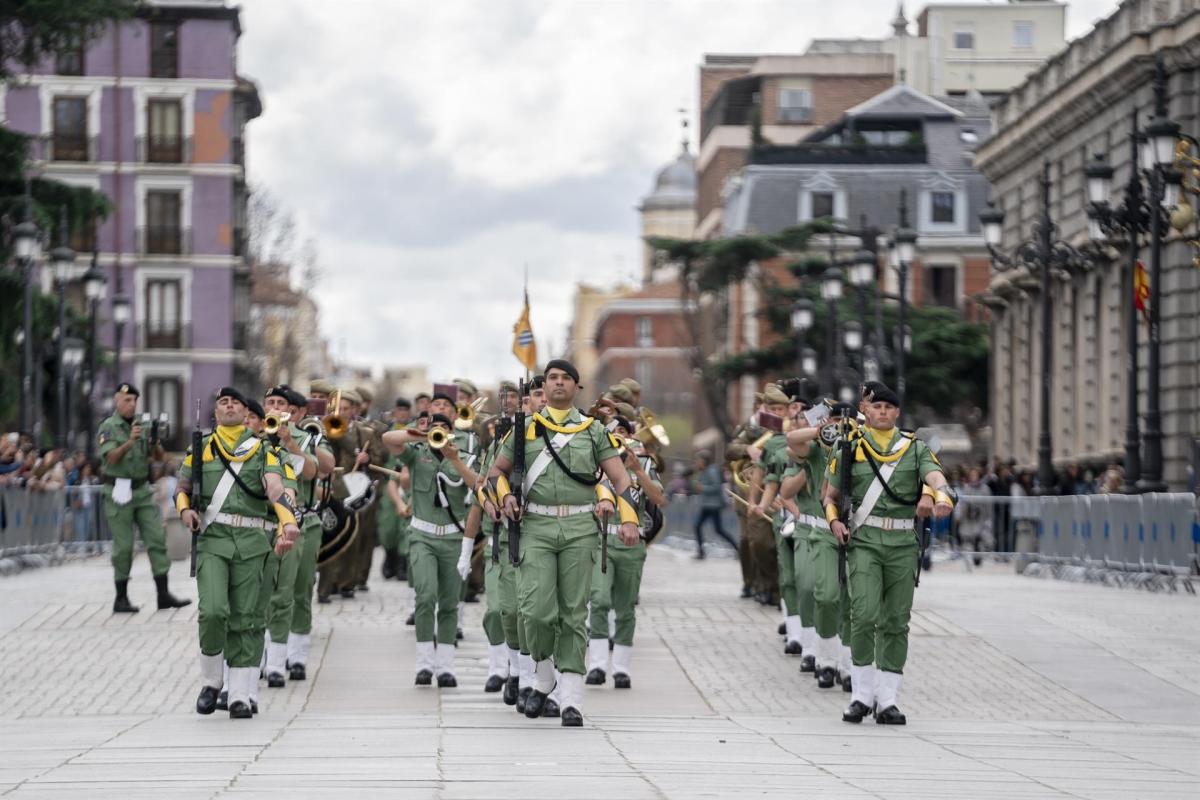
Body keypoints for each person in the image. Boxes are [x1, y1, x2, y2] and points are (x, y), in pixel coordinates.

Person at [486, 359, 639, 727]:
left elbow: (621, 479)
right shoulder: (524, 429)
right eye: (552, 378)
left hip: (580, 527)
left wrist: (629, 518)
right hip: (535, 525)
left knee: (573, 613)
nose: (557, 383)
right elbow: (495, 473)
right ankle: (543, 676)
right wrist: (504, 496)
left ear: (576, 387)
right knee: (535, 612)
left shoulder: (593, 431)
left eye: (565, 378)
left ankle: (571, 700)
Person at [823, 384, 953, 725]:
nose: (882, 411)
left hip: (902, 544)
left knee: (896, 621)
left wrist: (940, 494)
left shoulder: (914, 447)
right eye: (876, 406)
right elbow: (830, 496)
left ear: (897, 412)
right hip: (865, 540)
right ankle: (861, 696)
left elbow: (935, 476)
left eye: (888, 407)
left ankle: (888, 700)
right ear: (867, 410)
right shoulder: (850, 446)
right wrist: (834, 522)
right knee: (864, 615)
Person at [176, 387, 300, 719]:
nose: (229, 405)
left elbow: (276, 487)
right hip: (213, 540)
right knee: (213, 611)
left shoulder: (263, 449)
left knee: (246, 618)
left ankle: (241, 695)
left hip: (251, 542)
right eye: (223, 402)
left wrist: (287, 521)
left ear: (246, 414)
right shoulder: (201, 447)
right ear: (215, 412)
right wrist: (184, 510)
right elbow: (182, 488)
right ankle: (211, 681)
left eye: (235, 402)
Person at [381, 400, 479, 687]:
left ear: (452, 432)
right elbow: (388, 438)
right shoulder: (417, 453)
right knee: (425, 596)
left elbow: (477, 485)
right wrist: (422, 435)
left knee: (449, 602)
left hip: (453, 537)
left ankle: (445, 666)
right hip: (422, 535)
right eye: (434, 427)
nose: (438, 431)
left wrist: (455, 458)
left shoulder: (464, 456)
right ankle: (424, 664)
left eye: (442, 428)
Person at [586, 414, 666, 689]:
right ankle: (597, 665)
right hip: (602, 539)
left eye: (624, 430)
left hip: (632, 543)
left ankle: (621, 667)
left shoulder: (645, 462)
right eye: (614, 431)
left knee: (626, 606)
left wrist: (639, 471)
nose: (619, 435)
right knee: (598, 599)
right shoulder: (595, 461)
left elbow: (659, 498)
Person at [97, 383, 190, 613]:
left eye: (134, 400)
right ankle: (121, 598)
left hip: (141, 490)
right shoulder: (108, 427)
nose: (131, 405)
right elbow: (111, 458)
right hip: (118, 491)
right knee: (124, 546)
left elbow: (158, 458)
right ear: (117, 401)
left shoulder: (143, 424)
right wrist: (130, 441)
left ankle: (163, 594)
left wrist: (154, 442)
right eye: (127, 400)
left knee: (156, 539)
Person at [285, 386, 336, 681]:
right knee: (269, 591)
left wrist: (299, 441)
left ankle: (297, 654)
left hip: (305, 519)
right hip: (270, 522)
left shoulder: (310, 436)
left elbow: (326, 467)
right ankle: (269, 652)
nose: (283, 413)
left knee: (301, 588)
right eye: (273, 405)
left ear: (302, 412)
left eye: (290, 410)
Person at [693, 450, 735, 559]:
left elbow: (716, 486)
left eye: (698, 460)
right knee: (701, 527)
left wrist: (703, 488)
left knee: (717, 529)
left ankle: (737, 549)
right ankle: (701, 552)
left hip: (713, 505)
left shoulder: (712, 471)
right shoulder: (705, 471)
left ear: (703, 461)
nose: (697, 462)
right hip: (707, 505)